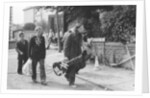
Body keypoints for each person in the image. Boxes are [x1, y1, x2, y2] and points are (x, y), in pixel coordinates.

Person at [63, 23, 87, 87]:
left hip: (77, 54)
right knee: (73, 67)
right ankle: (71, 83)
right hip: (70, 54)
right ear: (78, 28)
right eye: (82, 28)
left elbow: (80, 45)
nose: (83, 29)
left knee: (82, 64)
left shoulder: (80, 36)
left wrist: (82, 51)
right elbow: (66, 46)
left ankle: (67, 75)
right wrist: (65, 56)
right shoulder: (71, 35)